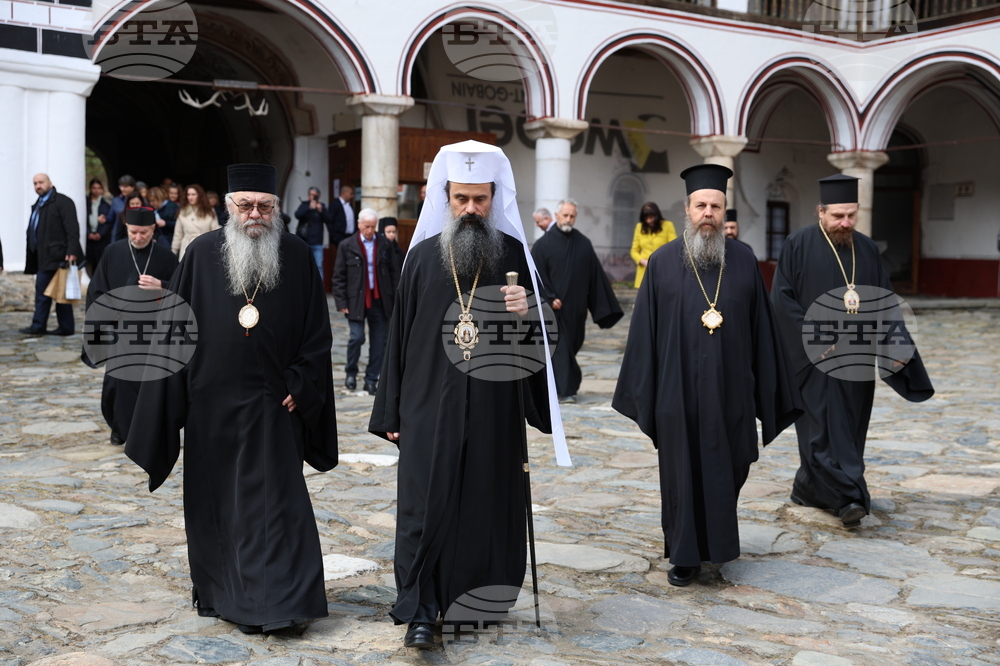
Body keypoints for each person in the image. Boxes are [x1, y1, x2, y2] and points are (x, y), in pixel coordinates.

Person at [369, 140, 569, 650]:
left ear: (494, 198)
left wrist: (529, 312)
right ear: (446, 197)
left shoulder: (514, 258)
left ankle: (473, 602)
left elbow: (545, 345)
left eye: (481, 199)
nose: (471, 209)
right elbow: (398, 340)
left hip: (493, 410)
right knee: (423, 506)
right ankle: (420, 609)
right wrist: (391, 411)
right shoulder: (420, 259)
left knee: (484, 501)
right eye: (461, 199)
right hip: (427, 408)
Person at [127, 163, 339, 634]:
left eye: (264, 206)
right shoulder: (201, 254)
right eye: (245, 205)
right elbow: (174, 331)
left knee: (279, 505)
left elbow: (317, 334)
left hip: (274, 403)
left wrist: (302, 384)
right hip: (211, 405)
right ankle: (226, 596)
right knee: (218, 505)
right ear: (229, 207)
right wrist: (169, 399)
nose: (255, 214)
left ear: (276, 208)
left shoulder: (296, 254)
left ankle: (281, 604)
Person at [613, 164, 802, 587]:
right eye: (700, 206)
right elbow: (644, 335)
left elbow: (763, 331)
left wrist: (769, 391)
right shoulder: (662, 262)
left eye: (716, 206)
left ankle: (716, 546)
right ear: (687, 209)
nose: (708, 214)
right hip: (676, 393)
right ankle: (685, 555)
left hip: (732, 392)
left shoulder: (745, 260)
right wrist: (647, 395)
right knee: (680, 475)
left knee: (728, 468)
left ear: (724, 209)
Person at [771, 174, 934, 527]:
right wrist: (816, 335)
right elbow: (781, 300)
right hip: (815, 358)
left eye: (851, 215)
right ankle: (847, 497)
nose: (845, 223)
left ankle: (808, 487)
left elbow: (885, 302)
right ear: (821, 212)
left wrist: (897, 346)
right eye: (837, 216)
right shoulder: (798, 244)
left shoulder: (868, 249)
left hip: (857, 358)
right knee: (820, 430)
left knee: (850, 426)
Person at [82, 207, 178, 445]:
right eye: (133, 232)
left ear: (153, 229)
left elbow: (183, 290)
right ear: (126, 228)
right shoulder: (112, 252)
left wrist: (161, 285)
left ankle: (148, 432)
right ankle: (119, 428)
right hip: (121, 331)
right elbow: (96, 290)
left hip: (153, 332)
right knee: (117, 385)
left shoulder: (166, 257)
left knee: (151, 385)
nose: (138, 237)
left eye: (143, 232)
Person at [531, 199, 623, 403]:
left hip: (577, 310)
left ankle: (561, 387)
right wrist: (549, 297)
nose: (568, 219)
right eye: (565, 215)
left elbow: (595, 276)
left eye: (572, 216)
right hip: (553, 311)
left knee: (571, 347)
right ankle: (566, 391)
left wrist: (601, 307)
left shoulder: (583, 243)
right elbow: (537, 275)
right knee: (560, 349)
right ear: (557, 216)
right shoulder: (542, 245)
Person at [332, 209, 399, 394]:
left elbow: (394, 273)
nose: (370, 230)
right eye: (366, 226)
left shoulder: (385, 244)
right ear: (359, 224)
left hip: (380, 300)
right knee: (357, 337)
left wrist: (395, 298)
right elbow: (339, 276)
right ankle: (351, 373)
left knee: (379, 342)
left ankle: (371, 379)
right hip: (356, 300)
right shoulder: (347, 245)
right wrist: (341, 302)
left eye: (373, 227)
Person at [21, 173, 82, 336]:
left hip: (59, 256)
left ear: (50, 183)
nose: (38, 186)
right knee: (45, 293)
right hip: (42, 257)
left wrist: (72, 251)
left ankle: (49, 326)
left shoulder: (63, 202)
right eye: (35, 183)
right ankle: (49, 326)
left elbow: (72, 228)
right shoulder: (38, 204)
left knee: (60, 293)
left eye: (41, 182)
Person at [630, 201, 677, 288]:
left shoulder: (667, 225)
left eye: (651, 217)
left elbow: (673, 248)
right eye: (646, 218)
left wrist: (662, 262)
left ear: (657, 215)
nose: (649, 220)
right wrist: (643, 261)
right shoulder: (639, 227)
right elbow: (634, 251)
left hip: (663, 269)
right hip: (644, 271)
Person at [294, 186, 337, 273]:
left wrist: (321, 211)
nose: (313, 197)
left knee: (319, 266)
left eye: (315, 195)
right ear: (308, 196)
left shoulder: (322, 206)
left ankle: (319, 282)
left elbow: (329, 219)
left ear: (319, 196)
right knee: (303, 265)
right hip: (304, 240)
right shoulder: (304, 205)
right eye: (312, 195)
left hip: (317, 242)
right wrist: (309, 208)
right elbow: (297, 215)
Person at [172, 184, 219, 259]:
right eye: (188, 194)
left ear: (199, 195)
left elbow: (215, 230)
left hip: (204, 245)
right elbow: (178, 234)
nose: (190, 197)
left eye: (193, 194)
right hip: (187, 246)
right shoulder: (182, 212)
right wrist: (173, 251)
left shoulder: (209, 211)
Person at [84, 178, 114, 276]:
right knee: (88, 261)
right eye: (94, 188)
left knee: (101, 261)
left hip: (102, 238)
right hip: (88, 237)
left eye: (98, 188)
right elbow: (83, 219)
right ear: (90, 188)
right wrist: (88, 233)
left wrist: (100, 233)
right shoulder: (85, 202)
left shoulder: (106, 203)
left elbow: (109, 220)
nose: (96, 190)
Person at [110, 175, 137, 243]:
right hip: (120, 235)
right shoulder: (116, 200)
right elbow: (111, 217)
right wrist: (105, 219)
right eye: (121, 186)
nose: (122, 189)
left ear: (133, 187)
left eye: (125, 186)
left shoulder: (139, 200)